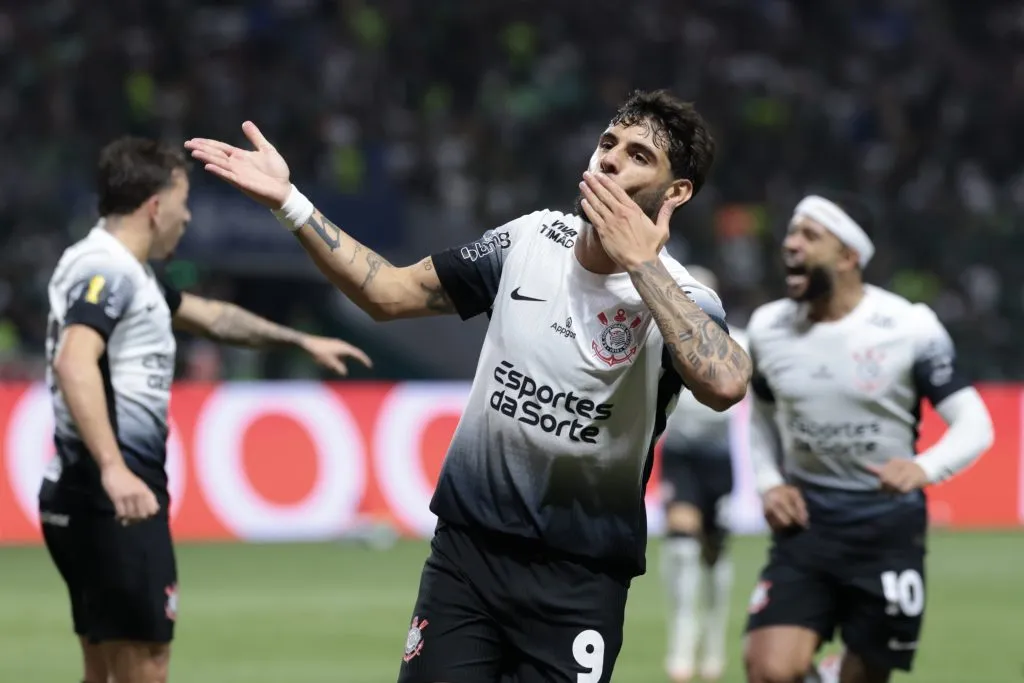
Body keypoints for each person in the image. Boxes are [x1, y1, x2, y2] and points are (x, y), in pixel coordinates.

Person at [185, 89, 753, 683]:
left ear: (676, 192)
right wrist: (290, 202)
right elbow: (390, 293)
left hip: (580, 579)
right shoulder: (530, 242)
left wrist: (643, 264)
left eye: (639, 155)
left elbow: (724, 382)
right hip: (467, 559)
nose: (610, 159)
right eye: (607, 143)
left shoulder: (683, 298)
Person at [40, 136, 372, 683]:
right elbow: (75, 362)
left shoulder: (115, 267)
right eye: (183, 200)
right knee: (146, 664)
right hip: (114, 500)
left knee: (102, 667)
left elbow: (213, 318)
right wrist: (115, 469)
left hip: (82, 495)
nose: (187, 216)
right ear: (154, 206)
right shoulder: (111, 272)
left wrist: (300, 342)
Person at [741, 194, 995, 683]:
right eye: (791, 233)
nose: (791, 245)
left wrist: (924, 468)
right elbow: (762, 417)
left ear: (848, 256)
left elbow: (974, 424)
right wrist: (770, 481)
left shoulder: (909, 326)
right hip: (808, 523)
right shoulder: (767, 328)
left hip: (887, 527)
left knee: (868, 675)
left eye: (810, 235)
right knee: (769, 670)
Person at [659, 265, 748, 683]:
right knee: (681, 543)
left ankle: (713, 644)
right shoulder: (661, 336)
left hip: (717, 459)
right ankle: (681, 641)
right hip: (679, 454)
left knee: (715, 551)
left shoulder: (738, 342)